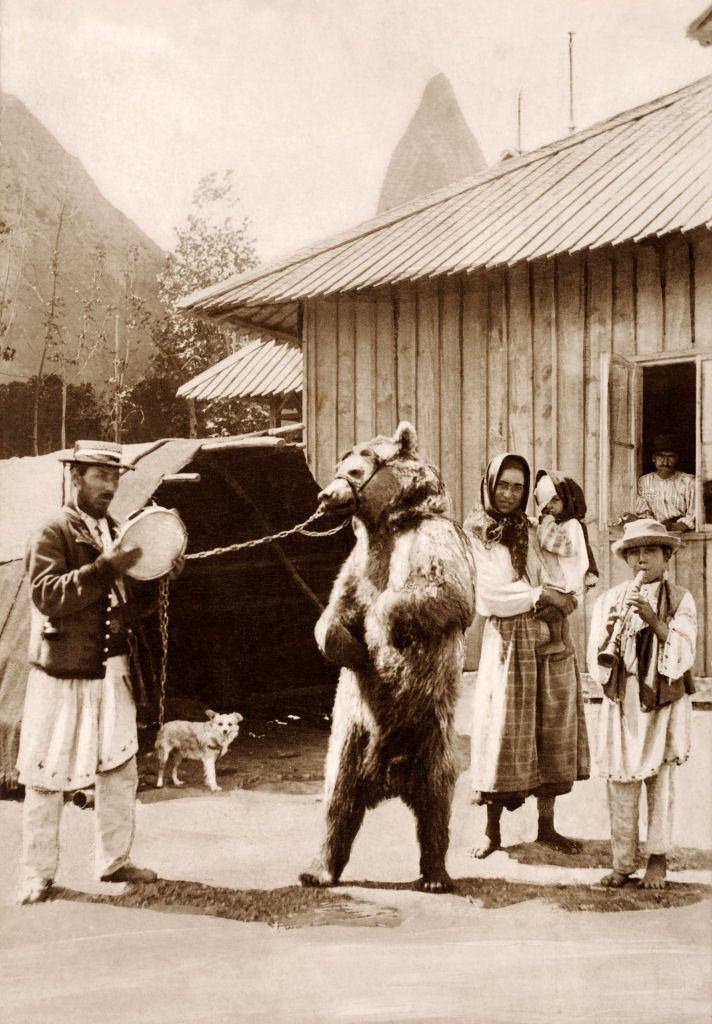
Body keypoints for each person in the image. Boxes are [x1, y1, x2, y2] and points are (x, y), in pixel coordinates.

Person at [16, 439, 181, 905]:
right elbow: (48, 595)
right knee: (46, 774)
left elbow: (128, 605)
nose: (110, 485)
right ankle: (37, 873)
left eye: (114, 477)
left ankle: (114, 861)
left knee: (119, 768)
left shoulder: (115, 529)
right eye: (100, 476)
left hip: (112, 670)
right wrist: (107, 567)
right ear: (75, 477)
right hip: (63, 671)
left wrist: (159, 572)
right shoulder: (53, 530)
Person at [464, 454, 590, 859]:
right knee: (507, 729)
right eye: (503, 484)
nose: (509, 494)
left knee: (550, 728)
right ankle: (492, 831)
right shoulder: (478, 533)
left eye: (518, 487)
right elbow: (489, 594)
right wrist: (541, 595)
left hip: (550, 634)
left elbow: (565, 571)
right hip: (508, 640)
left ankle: (547, 826)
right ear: (490, 484)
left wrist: (564, 598)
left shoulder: (535, 528)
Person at [587, 518, 696, 890]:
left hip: (662, 700)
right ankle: (622, 863)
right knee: (621, 780)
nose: (642, 559)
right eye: (634, 552)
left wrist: (652, 619)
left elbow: (683, 654)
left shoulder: (682, 599)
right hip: (625, 699)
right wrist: (610, 633)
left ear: (667, 556)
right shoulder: (608, 600)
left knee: (660, 780)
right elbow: (595, 661)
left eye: (650, 550)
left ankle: (658, 860)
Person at [533, 470, 599, 659]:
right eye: (546, 503)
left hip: (567, 581)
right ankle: (562, 643)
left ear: (567, 498)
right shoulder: (560, 523)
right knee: (551, 610)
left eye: (555, 500)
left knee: (553, 610)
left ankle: (558, 642)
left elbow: (562, 546)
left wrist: (546, 524)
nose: (550, 507)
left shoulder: (572, 525)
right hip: (560, 579)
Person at [632, 434, 695, 532]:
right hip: (654, 532)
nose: (665, 462)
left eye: (670, 457)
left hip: (682, 533)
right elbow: (643, 512)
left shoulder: (689, 481)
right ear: (654, 458)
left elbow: (694, 514)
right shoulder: (644, 481)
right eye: (661, 456)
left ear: (677, 459)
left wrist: (676, 526)